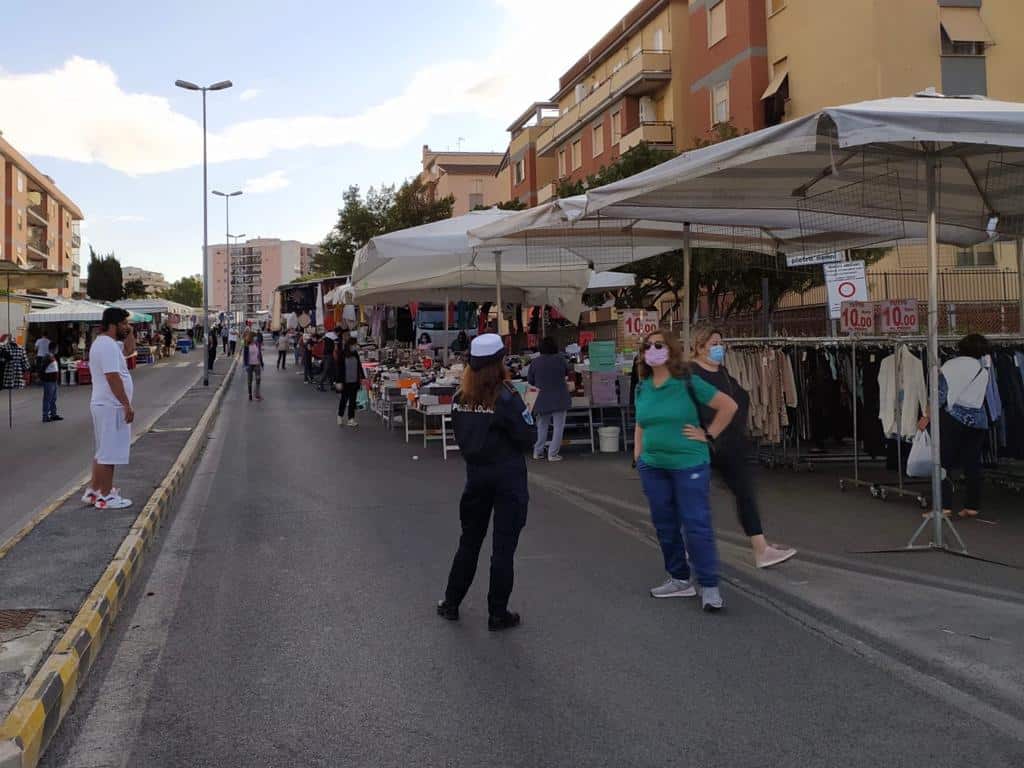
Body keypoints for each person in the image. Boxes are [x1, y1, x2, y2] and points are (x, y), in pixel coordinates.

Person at [437, 334, 537, 631]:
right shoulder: (507, 397)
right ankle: (497, 612)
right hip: (507, 478)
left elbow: (462, 437)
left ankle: (451, 602)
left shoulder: (459, 398)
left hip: (476, 478)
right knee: (502, 548)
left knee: (469, 542)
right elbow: (527, 437)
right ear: (499, 363)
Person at [633, 330, 737, 612]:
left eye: (658, 344)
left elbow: (728, 406)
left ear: (671, 349)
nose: (651, 349)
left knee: (696, 524)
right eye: (646, 346)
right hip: (653, 467)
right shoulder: (642, 387)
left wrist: (709, 434)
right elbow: (641, 423)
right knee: (665, 525)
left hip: (689, 463)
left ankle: (709, 584)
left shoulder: (687, 381)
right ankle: (679, 578)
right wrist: (638, 456)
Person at [691, 327, 797, 569]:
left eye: (721, 342)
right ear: (699, 347)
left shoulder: (724, 372)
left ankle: (761, 549)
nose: (719, 347)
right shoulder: (691, 373)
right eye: (714, 343)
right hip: (705, 445)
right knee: (693, 497)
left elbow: (740, 400)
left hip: (731, 444)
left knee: (745, 494)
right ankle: (692, 547)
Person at [918, 333, 991, 519]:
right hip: (978, 420)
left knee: (943, 463)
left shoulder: (950, 365)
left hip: (953, 419)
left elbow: (939, 393)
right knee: (972, 463)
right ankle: (972, 506)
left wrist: (927, 415)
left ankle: (944, 507)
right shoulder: (983, 369)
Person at [82, 307, 136, 510]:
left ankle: (94, 490)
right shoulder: (106, 346)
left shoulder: (108, 344)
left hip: (105, 404)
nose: (126, 327)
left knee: (103, 450)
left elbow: (129, 350)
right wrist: (126, 404)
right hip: (111, 405)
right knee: (109, 452)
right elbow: (112, 377)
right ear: (113, 324)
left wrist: (130, 332)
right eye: (123, 324)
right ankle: (106, 496)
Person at [527, 336, 571, 462]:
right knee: (558, 427)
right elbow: (567, 372)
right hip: (559, 398)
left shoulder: (535, 362)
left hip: (541, 399)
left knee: (542, 426)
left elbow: (530, 381)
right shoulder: (561, 360)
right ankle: (553, 453)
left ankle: (538, 451)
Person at [336, 337, 365, 427]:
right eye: (354, 345)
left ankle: (351, 419)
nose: (356, 347)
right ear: (350, 345)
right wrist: (338, 381)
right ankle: (340, 416)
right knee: (344, 400)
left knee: (353, 401)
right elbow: (339, 368)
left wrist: (362, 377)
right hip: (345, 382)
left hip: (354, 381)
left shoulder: (355, 353)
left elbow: (359, 366)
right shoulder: (342, 354)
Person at [42, 342, 62, 423]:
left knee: (53, 398)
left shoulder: (52, 356)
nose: (57, 350)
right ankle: (45, 416)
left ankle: (53, 414)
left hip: (54, 381)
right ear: (53, 348)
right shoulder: (47, 357)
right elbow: (42, 368)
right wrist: (43, 378)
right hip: (49, 381)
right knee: (47, 399)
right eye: (57, 348)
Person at [242, 330, 264, 401]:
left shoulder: (257, 344)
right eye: (255, 337)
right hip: (250, 365)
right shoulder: (246, 346)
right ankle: (250, 394)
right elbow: (245, 357)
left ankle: (257, 394)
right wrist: (245, 365)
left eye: (256, 337)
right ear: (251, 337)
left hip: (257, 364)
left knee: (258, 379)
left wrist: (262, 363)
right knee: (249, 380)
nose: (256, 338)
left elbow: (260, 354)